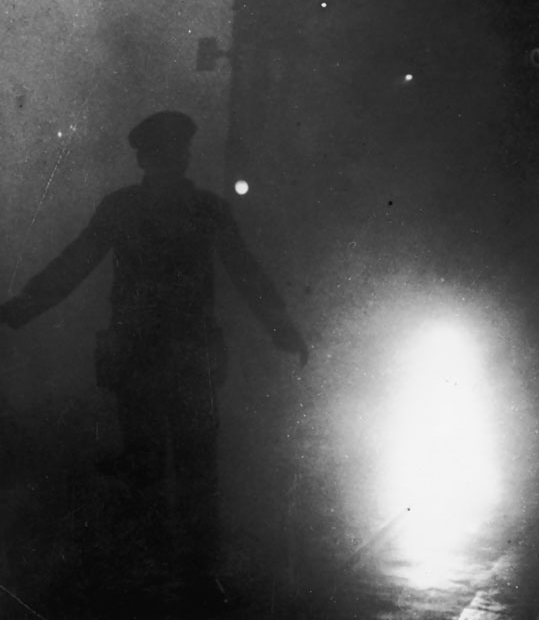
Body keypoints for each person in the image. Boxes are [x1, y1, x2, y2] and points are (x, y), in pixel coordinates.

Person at [0, 111, 308, 608]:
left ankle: (155, 578)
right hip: (183, 358)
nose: (175, 160)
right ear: (154, 158)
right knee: (192, 471)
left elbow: (75, 263)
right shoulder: (204, 208)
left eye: (176, 152)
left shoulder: (124, 207)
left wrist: (21, 309)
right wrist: (281, 327)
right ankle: (192, 578)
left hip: (141, 357)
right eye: (170, 153)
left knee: (153, 468)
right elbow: (245, 272)